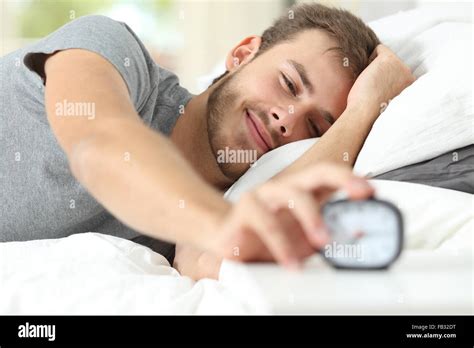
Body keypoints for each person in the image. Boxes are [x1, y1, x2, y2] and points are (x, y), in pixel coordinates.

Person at [0, 3, 414, 279]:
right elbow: (99, 146)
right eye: (288, 84)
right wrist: (222, 224)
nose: (286, 120)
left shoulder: (223, 204)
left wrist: (365, 110)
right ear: (241, 55)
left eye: (315, 128)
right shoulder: (116, 51)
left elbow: (210, 261)